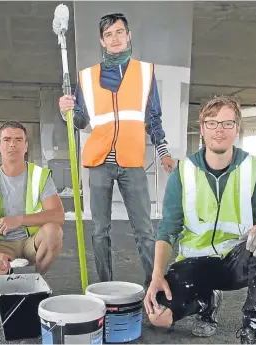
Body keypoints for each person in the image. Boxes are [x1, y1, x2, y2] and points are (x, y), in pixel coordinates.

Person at [143, 96, 256, 344]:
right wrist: (156, 276)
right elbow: (168, 229)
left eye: (227, 123)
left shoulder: (254, 168)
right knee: (159, 317)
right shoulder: (183, 171)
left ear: (237, 129)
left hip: (236, 261)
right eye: (212, 123)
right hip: (195, 264)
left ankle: (253, 327)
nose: (220, 130)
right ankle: (207, 303)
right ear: (202, 128)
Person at [58, 13, 176, 287]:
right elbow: (81, 120)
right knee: (100, 230)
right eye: (109, 34)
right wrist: (66, 111)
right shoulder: (86, 77)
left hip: (132, 161)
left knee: (144, 230)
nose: (115, 38)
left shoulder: (145, 73)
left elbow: (153, 118)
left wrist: (163, 153)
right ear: (102, 40)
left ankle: (152, 287)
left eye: (119, 32)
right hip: (99, 162)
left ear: (128, 35)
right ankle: (104, 286)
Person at [0, 121, 65, 288]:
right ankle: (8, 273)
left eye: (18, 140)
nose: (13, 144)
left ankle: (35, 280)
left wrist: (19, 220)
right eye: (7, 140)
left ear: (26, 146)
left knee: (54, 231)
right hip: (1, 244)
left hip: (31, 241)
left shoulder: (40, 176)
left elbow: (58, 215)